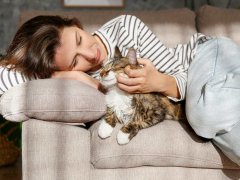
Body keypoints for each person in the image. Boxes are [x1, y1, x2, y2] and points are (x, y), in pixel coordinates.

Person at [0, 15, 239, 165]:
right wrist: (64, 75)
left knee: (205, 117)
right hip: (218, 94)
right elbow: (5, 78)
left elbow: (181, 74)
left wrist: (157, 82)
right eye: (75, 61)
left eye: (80, 39)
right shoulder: (88, 76)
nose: (90, 54)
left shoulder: (125, 29)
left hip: (206, 58)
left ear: (76, 24)